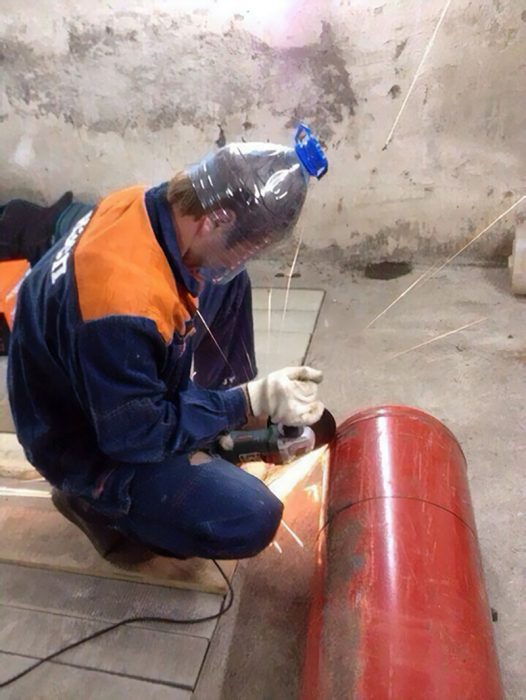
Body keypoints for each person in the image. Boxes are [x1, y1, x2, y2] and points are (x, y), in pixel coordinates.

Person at [7, 124, 329, 561]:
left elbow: (206, 272)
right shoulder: (121, 305)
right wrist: (247, 400)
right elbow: (134, 436)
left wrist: (236, 407)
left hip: (93, 371)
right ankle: (91, 502)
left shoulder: (150, 204)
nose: (239, 258)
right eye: (242, 247)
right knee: (251, 517)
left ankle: (215, 432)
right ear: (218, 218)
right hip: (84, 438)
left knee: (227, 284)